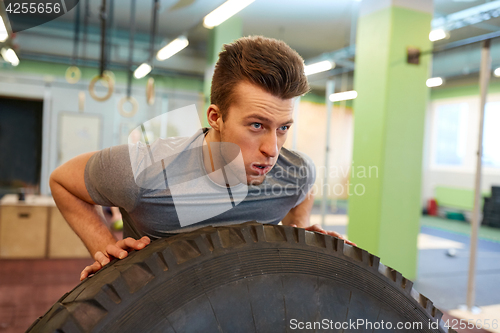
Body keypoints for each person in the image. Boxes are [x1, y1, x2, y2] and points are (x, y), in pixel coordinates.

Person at [50, 36, 355, 282]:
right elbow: (62, 181)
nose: (272, 149)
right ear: (215, 117)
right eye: (257, 126)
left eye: (283, 128)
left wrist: (297, 232)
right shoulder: (143, 170)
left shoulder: (295, 171)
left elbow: (305, 185)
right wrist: (104, 247)